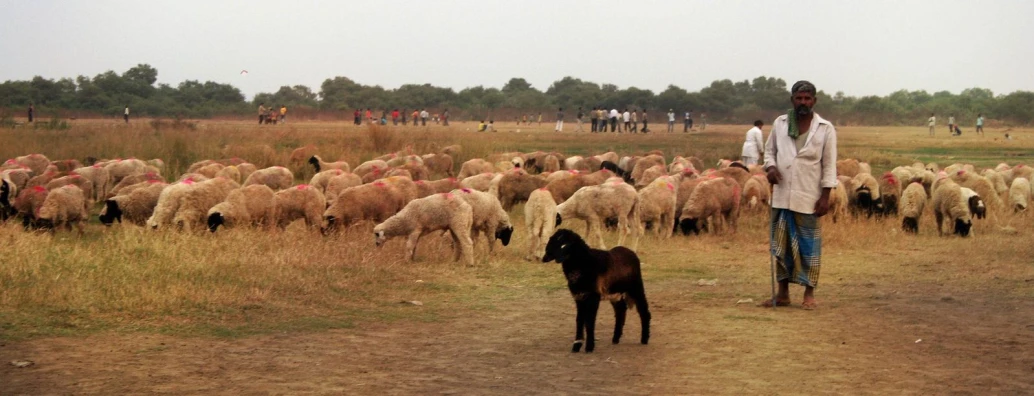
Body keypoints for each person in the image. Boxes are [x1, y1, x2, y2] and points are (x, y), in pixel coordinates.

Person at [761, 80, 837, 310]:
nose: (803, 102)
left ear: (814, 101)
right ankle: (782, 293)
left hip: (808, 195)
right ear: (792, 100)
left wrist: (825, 197)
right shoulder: (780, 123)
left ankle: (809, 294)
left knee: (808, 247)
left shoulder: (825, 128)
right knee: (781, 245)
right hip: (783, 195)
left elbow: (829, 164)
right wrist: (771, 168)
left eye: (807, 98)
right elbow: (769, 151)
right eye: (799, 98)